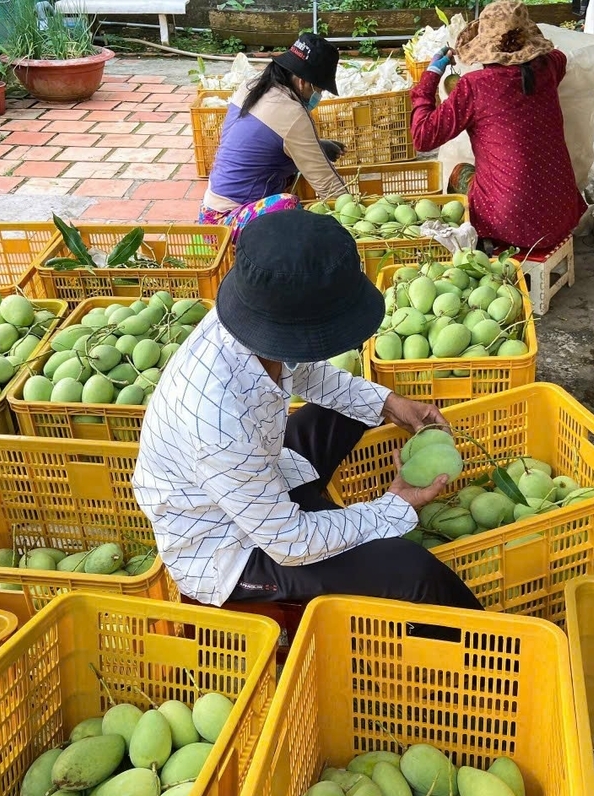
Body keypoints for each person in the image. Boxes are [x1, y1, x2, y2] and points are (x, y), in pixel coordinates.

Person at [132, 209, 483, 611]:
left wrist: (389, 405)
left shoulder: (248, 316)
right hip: (232, 549)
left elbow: (302, 372)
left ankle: (342, 514)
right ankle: (496, 664)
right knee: (414, 572)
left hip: (260, 477)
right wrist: (395, 506)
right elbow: (290, 541)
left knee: (352, 408)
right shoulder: (218, 421)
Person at [410, 0, 587, 255]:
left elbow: (422, 137)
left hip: (508, 222)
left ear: (485, 47)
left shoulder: (475, 86)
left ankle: (476, 247)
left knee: (459, 171)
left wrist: (431, 75)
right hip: (561, 213)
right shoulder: (548, 68)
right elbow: (557, 56)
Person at [197, 34, 352, 242]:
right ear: (302, 81)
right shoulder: (292, 112)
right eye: (319, 89)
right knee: (288, 204)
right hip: (226, 223)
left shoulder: (253, 86)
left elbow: (259, 142)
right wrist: (355, 216)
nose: (318, 96)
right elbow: (326, 184)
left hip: (208, 212)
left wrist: (318, 146)